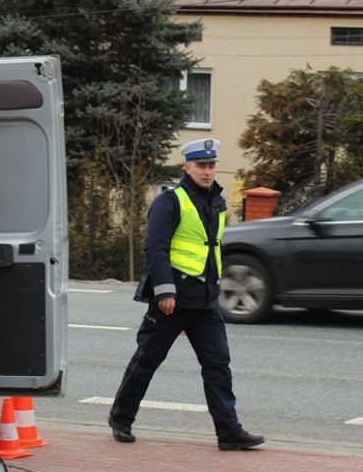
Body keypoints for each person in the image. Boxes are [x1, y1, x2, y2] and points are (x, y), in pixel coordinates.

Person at [109, 138, 264, 451]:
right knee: (147, 360)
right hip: (173, 298)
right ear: (188, 167)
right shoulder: (171, 200)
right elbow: (156, 247)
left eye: (211, 165)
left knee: (218, 364)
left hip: (205, 299)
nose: (207, 171)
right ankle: (121, 418)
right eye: (201, 166)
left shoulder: (217, 202)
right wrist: (164, 290)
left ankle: (228, 432)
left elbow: (211, 248)